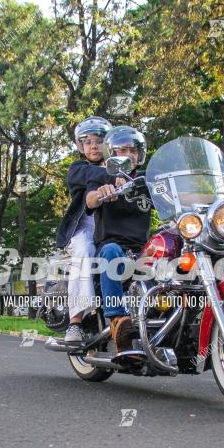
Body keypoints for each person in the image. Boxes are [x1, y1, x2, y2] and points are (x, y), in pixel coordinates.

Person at [84, 125, 151, 353]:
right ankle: (117, 320)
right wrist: (103, 193)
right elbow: (90, 200)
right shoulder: (103, 176)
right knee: (111, 252)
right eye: (122, 150)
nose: (129, 155)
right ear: (112, 154)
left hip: (143, 248)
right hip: (114, 247)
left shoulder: (146, 180)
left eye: (132, 150)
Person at [54, 115, 113, 345]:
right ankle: (75, 322)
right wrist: (115, 173)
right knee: (85, 250)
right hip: (85, 227)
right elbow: (90, 175)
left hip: (112, 226)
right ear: (81, 146)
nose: (94, 145)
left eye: (98, 140)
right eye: (87, 142)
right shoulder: (79, 168)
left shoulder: (119, 164)